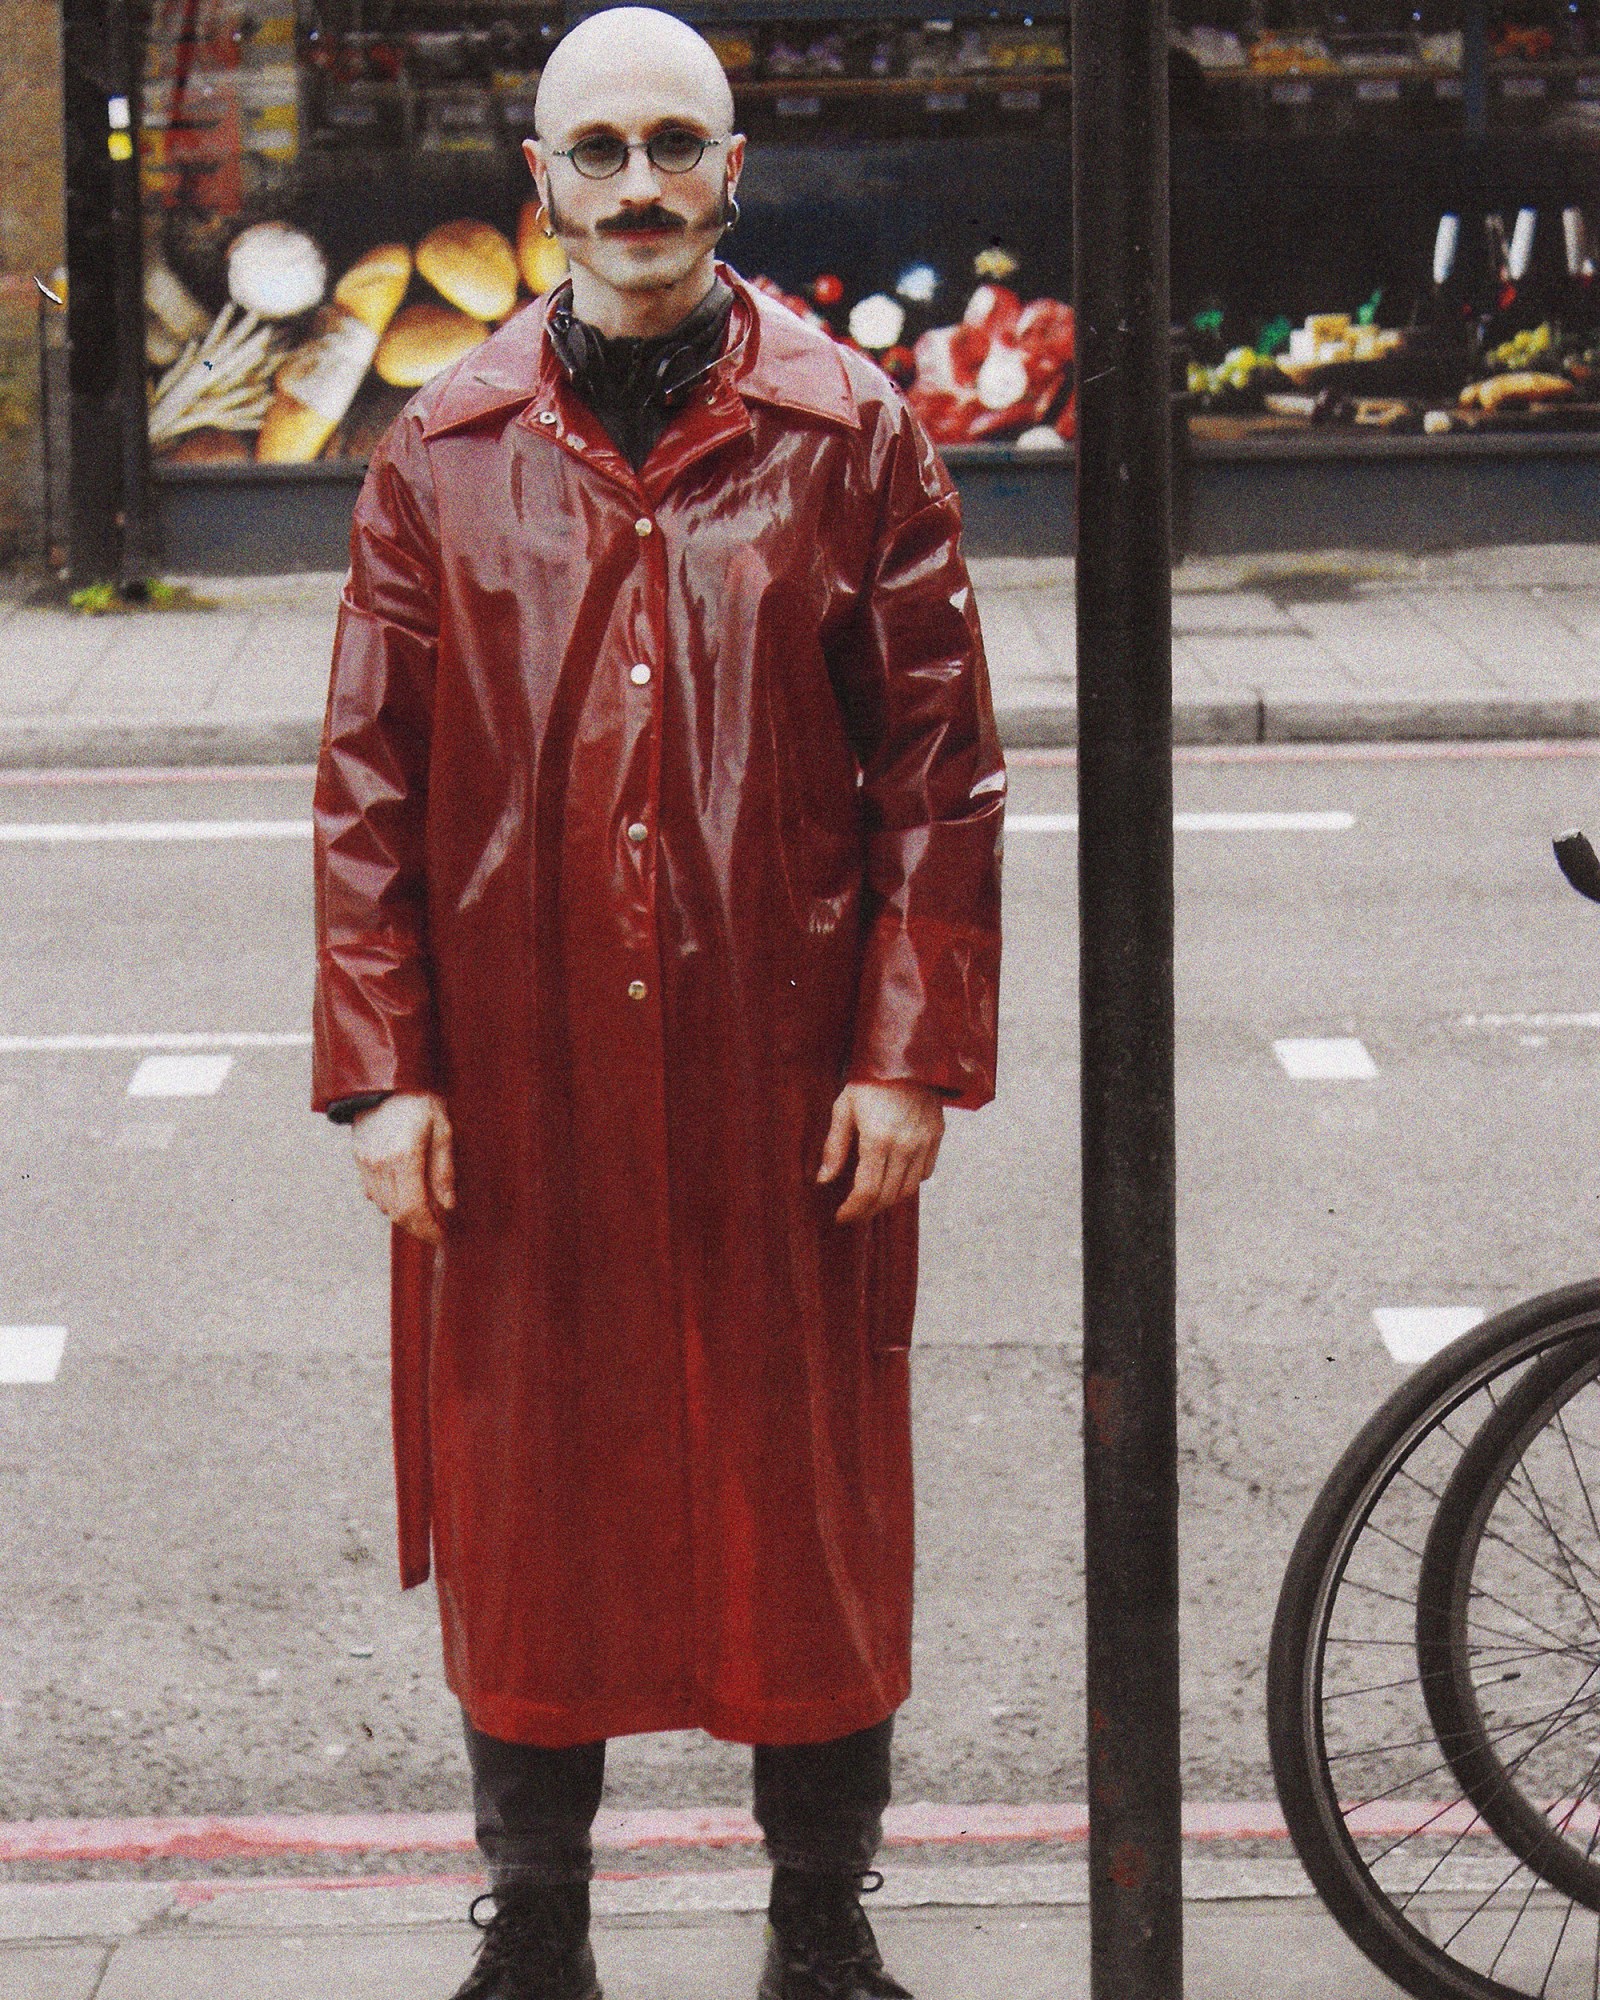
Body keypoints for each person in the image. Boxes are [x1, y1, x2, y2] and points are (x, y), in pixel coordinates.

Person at [310, 9, 1005, 1997]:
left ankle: (819, 1925)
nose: (634, 186)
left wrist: (905, 1054)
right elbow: (365, 779)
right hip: (518, 1099)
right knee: (536, 1499)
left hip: (785, 1083)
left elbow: (935, 776)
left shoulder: (848, 431)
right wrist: (382, 1080)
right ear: (539, 180)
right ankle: (535, 1925)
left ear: (729, 172)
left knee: (802, 1499)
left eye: (670, 146)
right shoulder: (437, 448)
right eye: (595, 148)